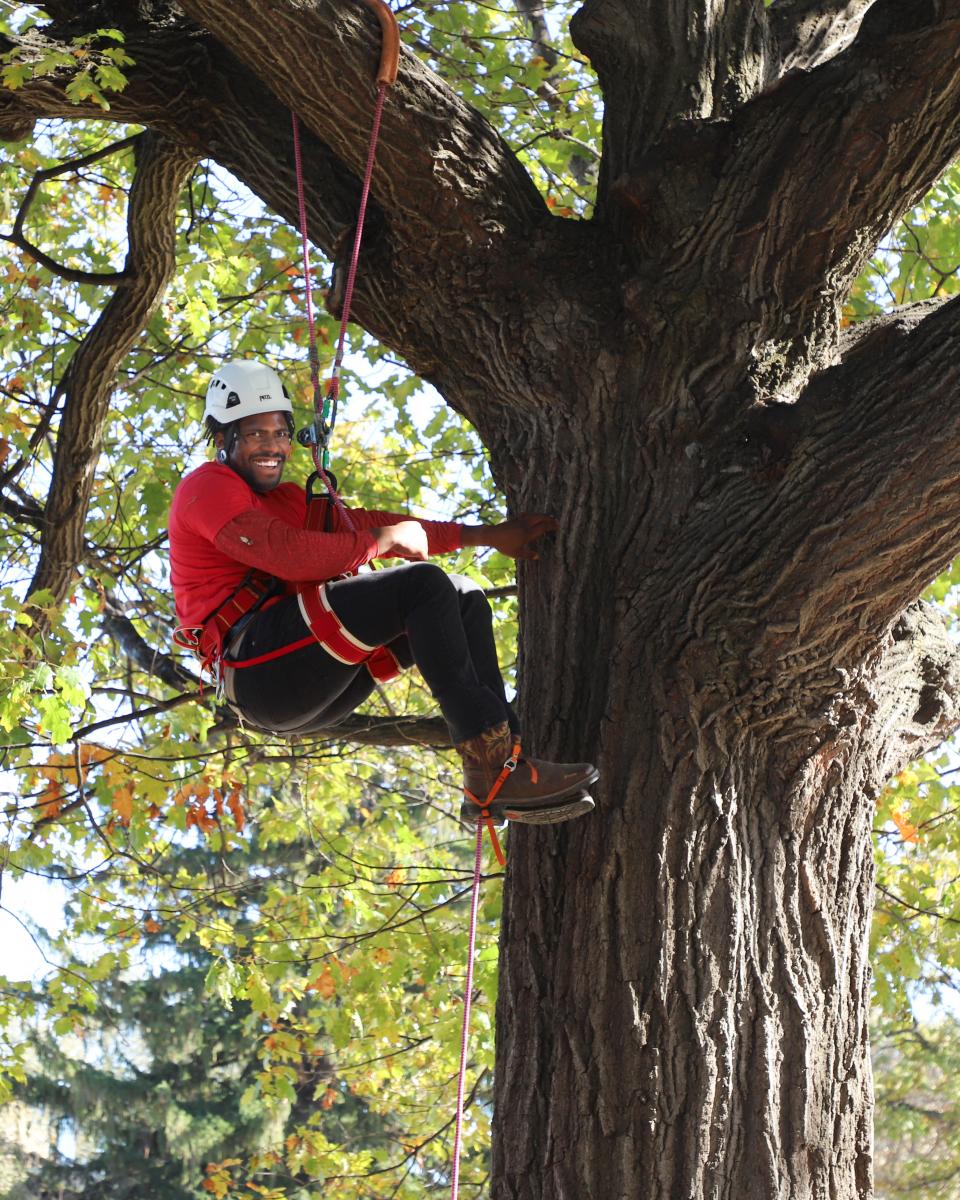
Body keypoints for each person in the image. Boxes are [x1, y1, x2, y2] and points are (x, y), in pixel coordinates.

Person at [168, 360, 597, 827]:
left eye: (279, 432)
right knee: (423, 586)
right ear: (224, 439)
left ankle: (501, 767)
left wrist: (485, 535)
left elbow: (376, 522)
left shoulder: (287, 500)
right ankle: (493, 769)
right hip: (259, 671)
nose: (272, 446)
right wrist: (382, 542)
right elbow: (287, 555)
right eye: (254, 434)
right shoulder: (206, 487)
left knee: (462, 597)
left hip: (305, 678)